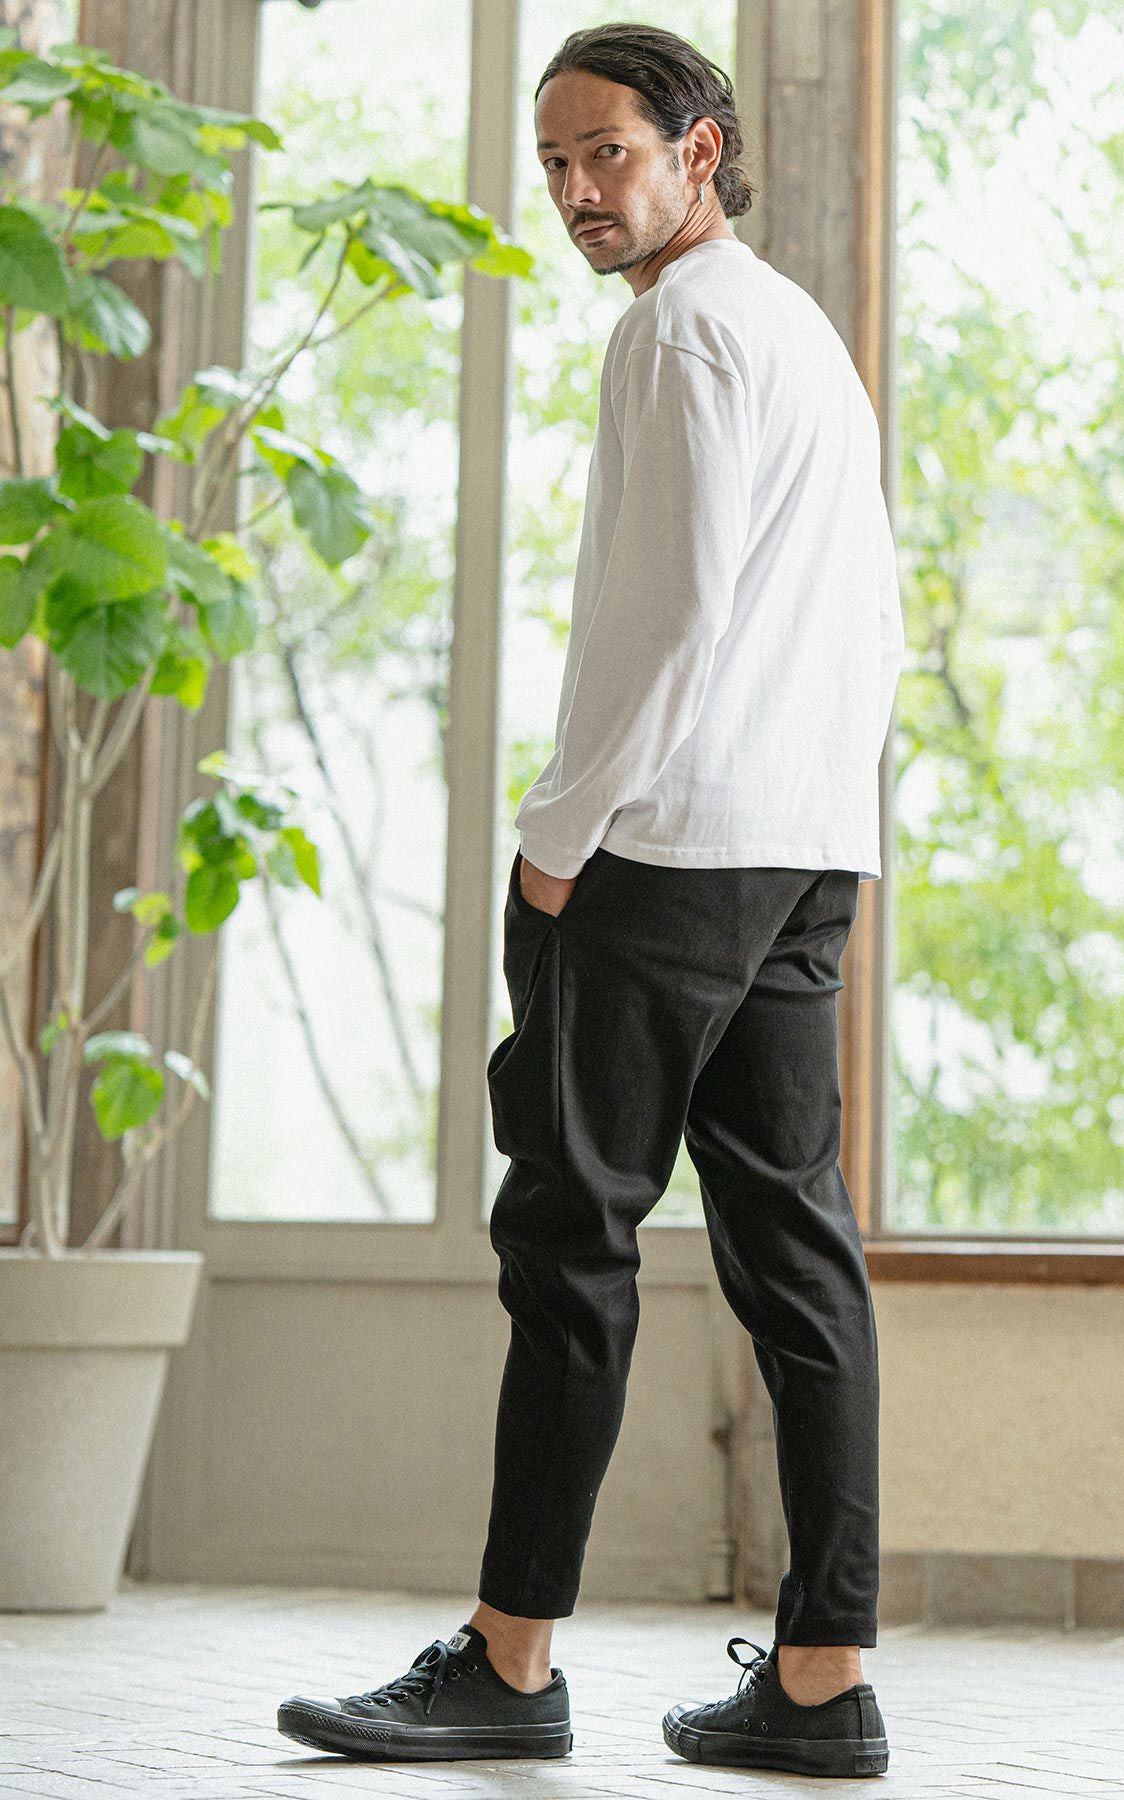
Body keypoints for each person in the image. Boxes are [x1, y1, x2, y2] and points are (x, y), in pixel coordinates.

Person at [277, 21, 902, 1781]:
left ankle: (510, 1662)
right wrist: (820, 819)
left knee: (569, 1245)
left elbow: (667, 614)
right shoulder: (796, 330)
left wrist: (560, 837)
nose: (574, 191)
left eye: (606, 153)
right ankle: (823, 1682)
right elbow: (863, 617)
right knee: (798, 1252)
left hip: (668, 851)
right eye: (554, 163)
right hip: (799, 848)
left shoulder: (683, 332)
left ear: (700, 150)